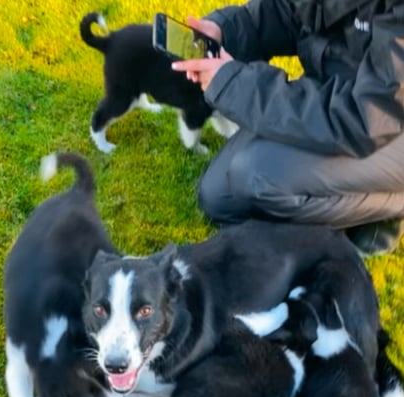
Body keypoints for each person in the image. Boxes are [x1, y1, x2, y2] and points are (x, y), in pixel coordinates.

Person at [172, 3, 404, 255]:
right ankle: (350, 199)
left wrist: (235, 84)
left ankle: (389, 207)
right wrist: (224, 31)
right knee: (219, 197)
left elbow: (364, 116)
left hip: (381, 124)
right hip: (335, 97)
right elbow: (287, 10)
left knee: (256, 176)